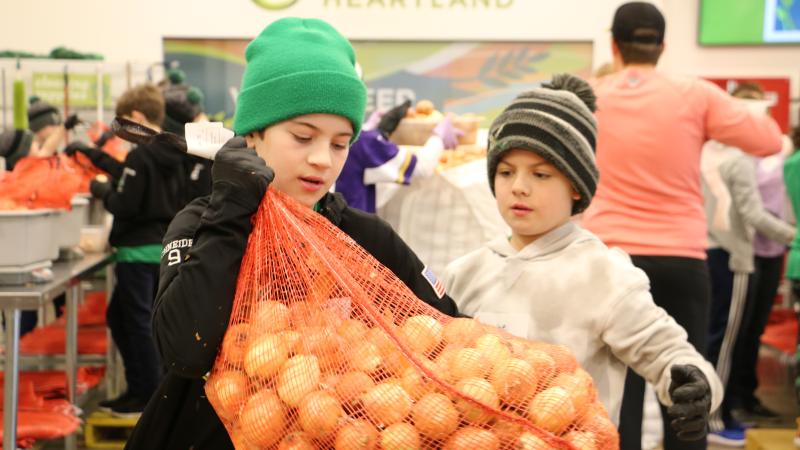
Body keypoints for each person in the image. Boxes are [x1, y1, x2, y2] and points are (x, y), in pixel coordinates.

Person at [125, 18, 458, 450]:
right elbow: (185, 352)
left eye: (340, 144)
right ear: (253, 136)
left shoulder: (365, 239)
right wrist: (230, 208)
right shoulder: (203, 225)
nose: (323, 159)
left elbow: (447, 329)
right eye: (303, 136)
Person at [444, 74, 722, 443]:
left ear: (576, 186)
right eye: (506, 172)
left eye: (541, 174)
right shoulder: (466, 271)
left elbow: (667, 352)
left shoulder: (605, 275)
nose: (518, 187)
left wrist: (696, 386)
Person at [580, 3, 784, 448]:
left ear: (614, 45)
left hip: (609, 261)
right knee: (686, 386)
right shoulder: (696, 95)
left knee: (617, 390)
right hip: (681, 257)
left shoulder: (589, 96)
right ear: (663, 47)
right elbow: (769, 140)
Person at [701, 82, 795, 441]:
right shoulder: (735, 159)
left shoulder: (709, 152)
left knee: (718, 338)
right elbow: (754, 213)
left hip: (713, 253)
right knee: (724, 342)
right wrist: (795, 236)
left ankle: (716, 415)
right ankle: (716, 419)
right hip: (733, 257)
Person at [89, 83, 190, 417]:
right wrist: (100, 162)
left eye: (123, 125)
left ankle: (147, 398)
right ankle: (143, 389)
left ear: (135, 118)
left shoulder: (140, 154)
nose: (121, 133)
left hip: (135, 252)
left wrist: (103, 192)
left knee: (135, 324)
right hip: (159, 247)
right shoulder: (174, 152)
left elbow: (126, 203)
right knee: (123, 318)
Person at [335, 100, 462, 213]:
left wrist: (371, 130)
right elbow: (422, 167)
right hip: (350, 230)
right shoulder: (364, 142)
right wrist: (438, 136)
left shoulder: (357, 140)